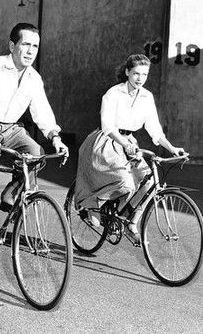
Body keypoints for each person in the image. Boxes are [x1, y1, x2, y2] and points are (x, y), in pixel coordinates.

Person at [0, 22, 69, 269]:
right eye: (26, 44)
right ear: (12, 45)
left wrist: (55, 136)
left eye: (35, 46)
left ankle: (11, 193)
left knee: (36, 153)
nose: (31, 50)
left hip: (12, 129)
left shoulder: (34, 78)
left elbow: (42, 111)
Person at [74, 54, 184, 246]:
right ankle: (93, 205)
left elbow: (155, 130)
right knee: (125, 182)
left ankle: (130, 222)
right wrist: (124, 144)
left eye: (144, 74)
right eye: (136, 73)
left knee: (148, 180)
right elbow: (108, 126)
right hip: (106, 141)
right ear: (127, 72)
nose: (140, 78)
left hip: (129, 143)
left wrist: (172, 148)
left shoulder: (147, 96)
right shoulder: (113, 94)